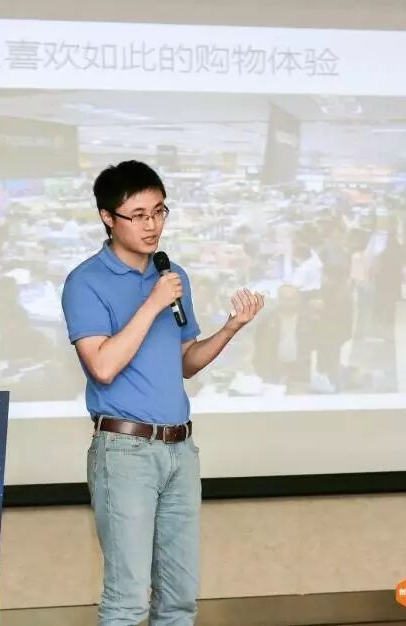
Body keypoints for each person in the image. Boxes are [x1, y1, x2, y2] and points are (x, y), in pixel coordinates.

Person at [60, 160, 264, 625]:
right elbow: (103, 366)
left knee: (178, 600)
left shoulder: (173, 276)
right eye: (138, 215)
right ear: (108, 217)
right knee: (128, 601)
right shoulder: (85, 282)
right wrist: (152, 303)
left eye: (159, 212)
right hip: (125, 450)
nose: (152, 225)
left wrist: (230, 328)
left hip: (180, 450)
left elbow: (186, 362)